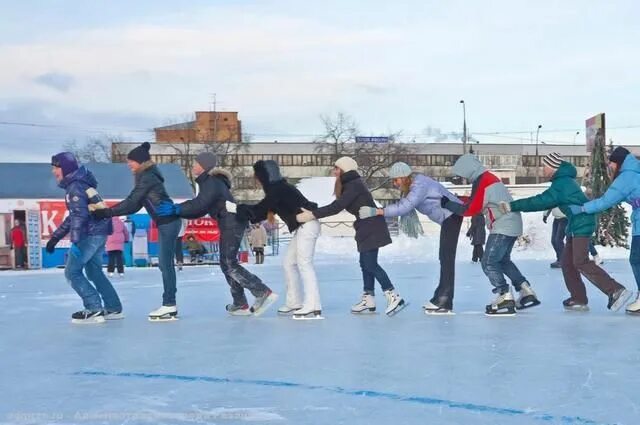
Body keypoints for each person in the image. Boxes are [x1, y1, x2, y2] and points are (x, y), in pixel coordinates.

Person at [501, 152, 631, 312]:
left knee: (580, 261)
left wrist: (512, 206)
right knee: (568, 263)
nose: (542, 169)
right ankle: (578, 298)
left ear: (553, 167)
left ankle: (616, 290)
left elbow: (540, 201)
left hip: (582, 223)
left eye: (545, 166)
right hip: (576, 224)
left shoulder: (562, 184)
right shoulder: (563, 181)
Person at [156, 152, 277, 316]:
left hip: (232, 223)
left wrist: (177, 208)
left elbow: (200, 204)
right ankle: (240, 303)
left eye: (196, 163)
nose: (193, 166)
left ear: (205, 166)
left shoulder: (212, 183)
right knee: (226, 263)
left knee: (229, 263)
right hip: (230, 223)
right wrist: (179, 211)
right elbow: (200, 208)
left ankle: (261, 291)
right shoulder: (211, 183)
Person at [298, 157, 406, 315]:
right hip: (366, 226)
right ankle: (368, 298)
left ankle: (393, 295)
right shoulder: (350, 184)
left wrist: (313, 215)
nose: (334, 171)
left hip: (371, 226)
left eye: (336, 168)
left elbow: (337, 207)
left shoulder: (354, 185)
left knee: (370, 264)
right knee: (365, 263)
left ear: (344, 169)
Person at [92, 142, 182, 321]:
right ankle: (169, 303)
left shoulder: (148, 177)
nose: (128, 164)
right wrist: (109, 212)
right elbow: (135, 206)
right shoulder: (146, 176)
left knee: (165, 264)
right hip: (166, 222)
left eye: (131, 161)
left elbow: (132, 202)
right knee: (165, 264)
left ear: (141, 162)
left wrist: (106, 212)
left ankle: (169, 304)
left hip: (168, 222)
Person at [359, 161, 462, 315]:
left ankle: (445, 300)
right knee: (444, 258)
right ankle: (440, 297)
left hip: (452, 216)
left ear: (404, 177)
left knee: (446, 258)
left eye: (396, 180)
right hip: (449, 218)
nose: (394, 184)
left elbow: (404, 207)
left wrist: (377, 211)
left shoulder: (419, 186)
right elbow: (404, 204)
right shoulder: (414, 186)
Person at [443, 154, 539, 316]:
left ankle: (504, 295)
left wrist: (448, 204)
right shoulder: (487, 178)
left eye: (463, 175)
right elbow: (478, 202)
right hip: (512, 222)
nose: (464, 179)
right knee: (502, 261)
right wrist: (457, 199)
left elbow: (471, 209)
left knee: (488, 262)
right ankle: (525, 290)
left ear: (467, 169)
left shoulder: (483, 181)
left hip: (503, 225)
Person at [230, 160, 321, 320]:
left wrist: (236, 208)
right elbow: (262, 213)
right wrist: (243, 210)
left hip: (308, 225)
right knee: (288, 263)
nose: (256, 179)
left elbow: (259, 209)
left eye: (257, 176)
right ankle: (295, 302)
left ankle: (313, 305)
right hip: (302, 227)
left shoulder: (279, 189)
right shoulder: (277, 189)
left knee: (304, 264)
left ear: (264, 176)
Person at [45, 152, 122, 323]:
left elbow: (79, 216)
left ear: (64, 168)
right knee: (94, 271)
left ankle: (94, 308)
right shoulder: (81, 183)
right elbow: (74, 216)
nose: (53, 172)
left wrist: (76, 241)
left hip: (89, 233)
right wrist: (55, 238)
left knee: (72, 272)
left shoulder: (75, 186)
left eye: (55, 168)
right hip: (99, 232)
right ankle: (113, 307)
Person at [569, 146, 640, 313]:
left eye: (612, 163)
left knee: (636, 260)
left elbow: (605, 201)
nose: (610, 167)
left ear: (618, 162)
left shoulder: (626, 177)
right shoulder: (636, 171)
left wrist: (583, 208)